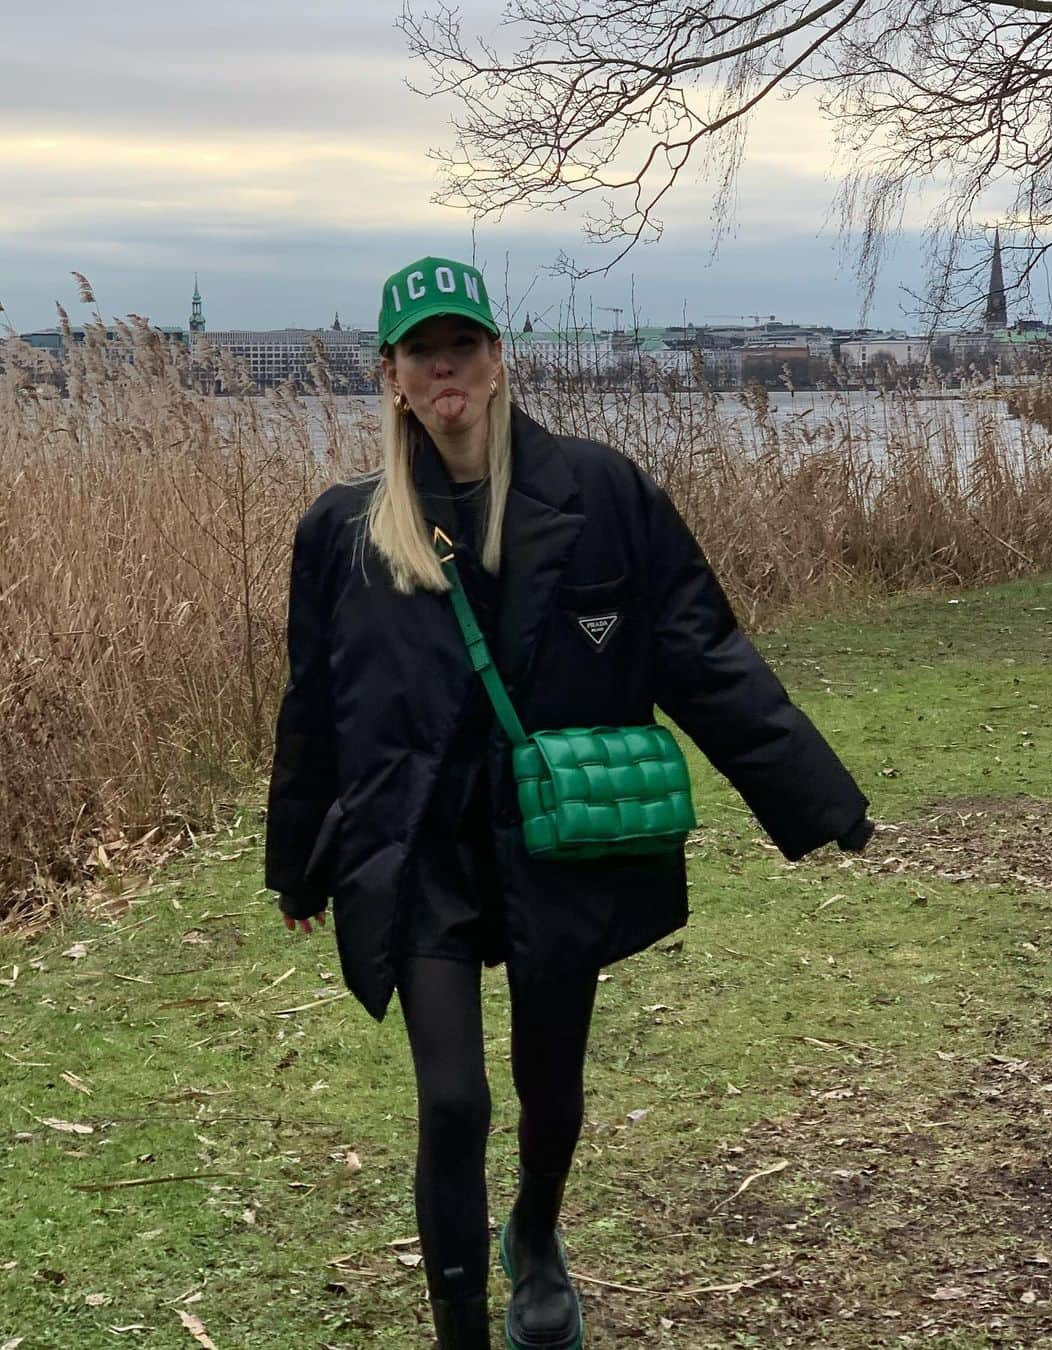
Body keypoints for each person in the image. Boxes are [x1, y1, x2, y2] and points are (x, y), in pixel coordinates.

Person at [265, 254, 874, 1350]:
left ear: (499, 362)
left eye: (463, 347)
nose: (443, 369)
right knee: (453, 1102)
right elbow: (315, 708)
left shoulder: (602, 494)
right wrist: (297, 863)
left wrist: (818, 798)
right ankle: (461, 1331)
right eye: (420, 353)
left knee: (552, 1086)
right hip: (417, 851)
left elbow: (701, 652)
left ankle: (535, 1235)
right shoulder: (345, 532)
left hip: (556, 837)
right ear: (392, 378)